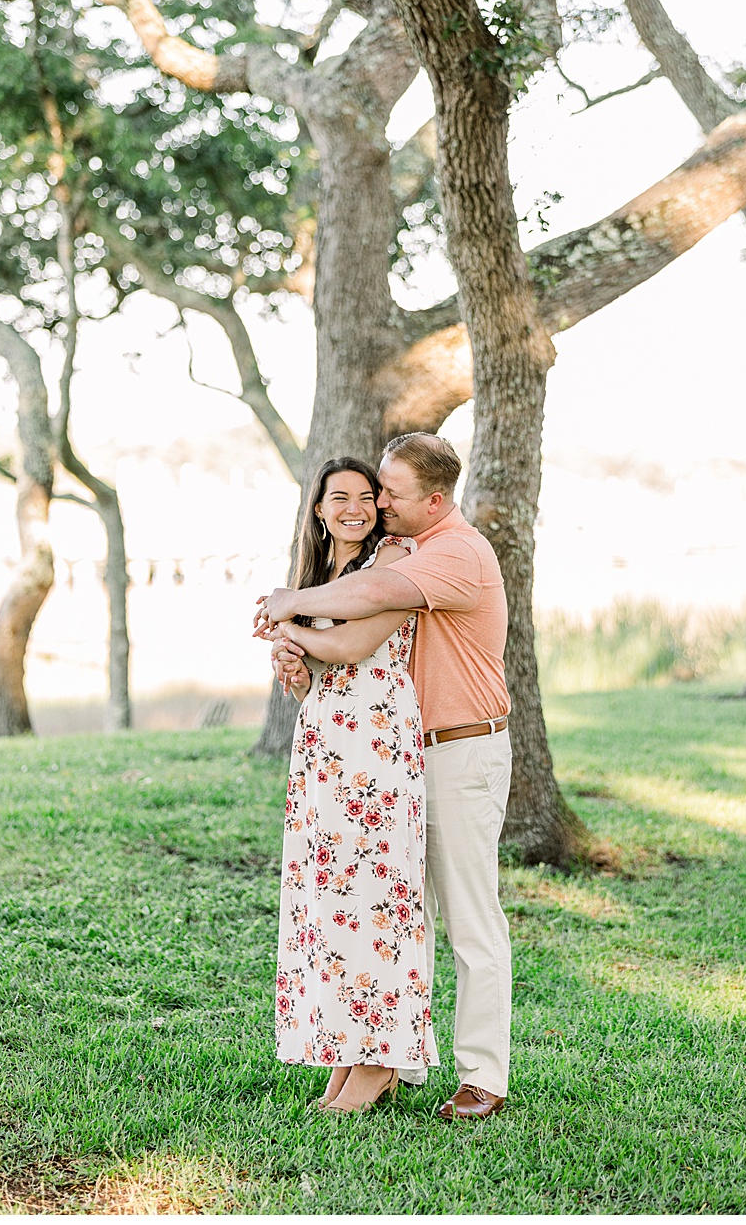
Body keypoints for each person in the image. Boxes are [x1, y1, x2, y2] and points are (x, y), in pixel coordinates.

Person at [259, 432, 513, 1122]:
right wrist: (295, 648)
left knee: (468, 920)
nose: (381, 503)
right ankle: (380, 1059)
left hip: (460, 751)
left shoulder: (453, 551)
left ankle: (483, 1078)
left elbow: (366, 606)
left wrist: (287, 608)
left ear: (433, 500)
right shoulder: (411, 549)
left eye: (391, 494)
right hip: (399, 753)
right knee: (391, 911)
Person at [267, 457, 434, 1113]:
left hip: (374, 746)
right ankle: (345, 1048)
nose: (355, 508)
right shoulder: (321, 577)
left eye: (366, 497)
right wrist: (293, 667)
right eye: (340, 497)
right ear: (319, 508)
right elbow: (318, 669)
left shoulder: (393, 559)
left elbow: (351, 647)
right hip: (325, 745)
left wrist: (284, 626)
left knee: (373, 896)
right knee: (329, 897)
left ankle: (381, 1059)